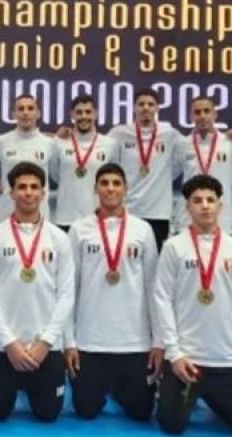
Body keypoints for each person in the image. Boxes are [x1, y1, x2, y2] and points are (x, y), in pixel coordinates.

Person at [152, 175, 232, 436]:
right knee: (171, 425)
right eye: (197, 201)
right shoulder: (173, 247)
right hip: (186, 360)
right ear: (187, 207)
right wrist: (174, 354)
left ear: (221, 206)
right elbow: (162, 299)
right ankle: (188, 392)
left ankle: (213, 396)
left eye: (211, 200)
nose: (205, 206)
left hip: (226, 359)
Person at [64, 163, 162, 421]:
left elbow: (153, 288)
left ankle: (118, 388)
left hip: (134, 342)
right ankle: (108, 385)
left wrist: (158, 341)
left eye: (116, 183)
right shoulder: (79, 229)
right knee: (86, 411)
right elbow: (68, 287)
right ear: (95, 189)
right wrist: (69, 341)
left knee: (141, 413)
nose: (110, 189)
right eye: (104, 183)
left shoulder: (143, 230)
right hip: (90, 341)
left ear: (126, 189)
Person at [0, 162, 75, 422]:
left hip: (46, 347)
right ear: (11, 193)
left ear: (43, 193)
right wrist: (9, 343)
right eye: (22, 187)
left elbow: (67, 294)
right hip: (4, 346)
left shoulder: (59, 238)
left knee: (48, 415)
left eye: (34, 187)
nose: (28, 193)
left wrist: (46, 342)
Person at [108, 87, 183, 251]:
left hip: (158, 212)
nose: (146, 108)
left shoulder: (170, 134)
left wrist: (162, 177)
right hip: (126, 210)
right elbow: (107, 163)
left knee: (155, 261)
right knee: (124, 257)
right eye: (141, 104)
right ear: (134, 107)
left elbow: (180, 163)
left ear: (157, 108)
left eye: (150, 104)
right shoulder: (119, 133)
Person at [51, 95, 119, 232]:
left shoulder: (110, 144)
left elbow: (114, 179)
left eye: (88, 112)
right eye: (79, 112)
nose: (84, 116)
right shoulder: (59, 143)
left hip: (98, 217)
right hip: (66, 217)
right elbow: (55, 175)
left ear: (96, 114)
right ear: (72, 114)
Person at [175, 96, 232, 233]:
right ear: (191, 116)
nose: (202, 116)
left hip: (222, 219)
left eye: (207, 111)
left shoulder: (230, 143)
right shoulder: (181, 144)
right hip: (187, 219)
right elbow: (168, 174)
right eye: (197, 112)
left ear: (215, 114)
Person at [0, 95, 54, 223]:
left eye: (30, 108)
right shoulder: (0, 141)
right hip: (6, 213)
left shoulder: (50, 143)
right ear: (13, 114)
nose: (25, 113)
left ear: (38, 113)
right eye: (21, 109)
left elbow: (57, 174)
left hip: (40, 213)